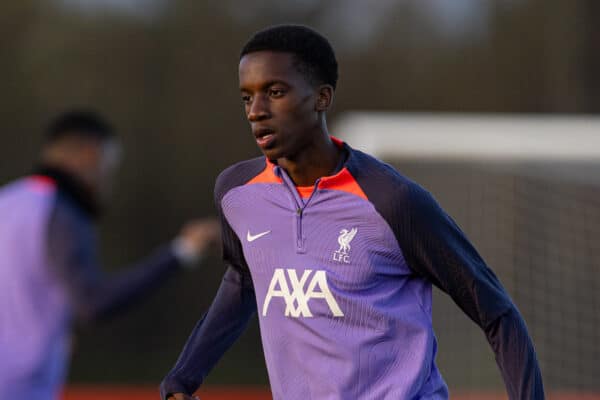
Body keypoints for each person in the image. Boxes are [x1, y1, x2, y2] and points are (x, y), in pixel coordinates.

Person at [160, 25, 544, 400]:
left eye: (275, 92)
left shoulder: (393, 202)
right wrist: (182, 379)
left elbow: (497, 313)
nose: (256, 112)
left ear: (322, 97)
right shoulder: (237, 194)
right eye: (247, 97)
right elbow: (245, 277)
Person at [0, 110, 219, 400]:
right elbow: (93, 303)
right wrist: (181, 253)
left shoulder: (8, 200)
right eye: (109, 162)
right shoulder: (63, 213)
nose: (108, 177)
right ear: (91, 154)